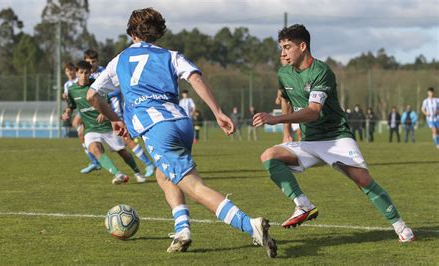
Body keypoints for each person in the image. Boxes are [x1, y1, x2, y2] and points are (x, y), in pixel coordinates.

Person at [87, 7, 277, 258]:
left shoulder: (119, 61)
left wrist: (114, 119)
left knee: (195, 187)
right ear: (158, 33)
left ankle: (250, 225)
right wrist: (218, 112)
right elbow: (195, 78)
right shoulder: (171, 56)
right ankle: (182, 230)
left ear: (132, 33)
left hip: (157, 128)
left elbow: (92, 95)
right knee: (164, 175)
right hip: (181, 122)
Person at [253, 24, 414, 242]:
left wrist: (275, 119)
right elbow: (285, 100)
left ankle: (401, 227)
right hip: (309, 141)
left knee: (363, 180)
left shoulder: (322, 72)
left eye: (287, 47)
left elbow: (313, 112)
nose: (283, 53)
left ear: (303, 46)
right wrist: (286, 132)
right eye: (281, 47)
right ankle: (303, 205)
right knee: (269, 156)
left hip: (336, 137)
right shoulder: (283, 73)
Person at [62, 60, 145, 184]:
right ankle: (118, 174)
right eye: (81, 73)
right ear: (77, 73)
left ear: (90, 73)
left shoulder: (96, 86)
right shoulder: (72, 90)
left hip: (106, 126)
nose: (84, 75)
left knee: (122, 152)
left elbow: (106, 102)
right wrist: (67, 112)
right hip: (90, 128)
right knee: (94, 149)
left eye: (86, 73)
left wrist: (102, 113)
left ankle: (137, 172)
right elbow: (72, 105)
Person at [87, 48, 156, 179]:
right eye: (88, 62)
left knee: (127, 139)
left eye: (93, 61)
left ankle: (148, 164)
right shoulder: (88, 76)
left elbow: (117, 88)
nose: (91, 64)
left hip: (114, 112)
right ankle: (94, 161)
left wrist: (104, 106)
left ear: (97, 61)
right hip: (99, 114)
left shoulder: (104, 72)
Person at [61, 61, 102, 174]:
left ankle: (95, 159)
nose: (69, 73)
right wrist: (66, 112)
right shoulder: (67, 85)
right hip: (80, 109)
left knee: (79, 129)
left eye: (71, 70)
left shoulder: (81, 80)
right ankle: (94, 159)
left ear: (76, 71)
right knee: (80, 132)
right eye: (67, 71)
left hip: (89, 109)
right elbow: (70, 101)